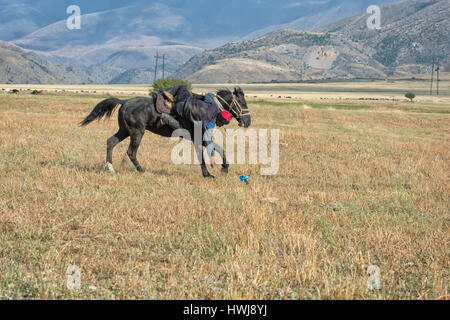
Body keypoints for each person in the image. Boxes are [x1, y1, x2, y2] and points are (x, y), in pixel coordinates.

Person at [160, 85, 232, 166]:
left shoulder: (215, 106)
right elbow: (208, 140)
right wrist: (211, 156)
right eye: (222, 123)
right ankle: (165, 117)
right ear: (219, 120)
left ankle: (165, 94)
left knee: (182, 87)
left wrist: (213, 96)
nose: (221, 125)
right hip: (180, 110)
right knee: (182, 130)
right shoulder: (209, 124)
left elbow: (208, 95)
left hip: (185, 99)